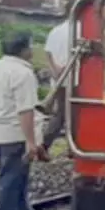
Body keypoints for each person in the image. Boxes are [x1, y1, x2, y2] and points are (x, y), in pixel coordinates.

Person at [0, 32, 49, 210]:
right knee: (10, 182)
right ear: (25, 49)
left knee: (17, 179)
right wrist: (31, 141)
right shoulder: (23, 74)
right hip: (14, 134)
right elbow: (25, 110)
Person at [39, 17, 73, 150]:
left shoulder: (55, 30)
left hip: (58, 79)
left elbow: (47, 52)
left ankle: (71, 148)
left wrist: (54, 69)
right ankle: (44, 145)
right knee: (65, 115)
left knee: (62, 114)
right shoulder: (79, 29)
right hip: (72, 81)